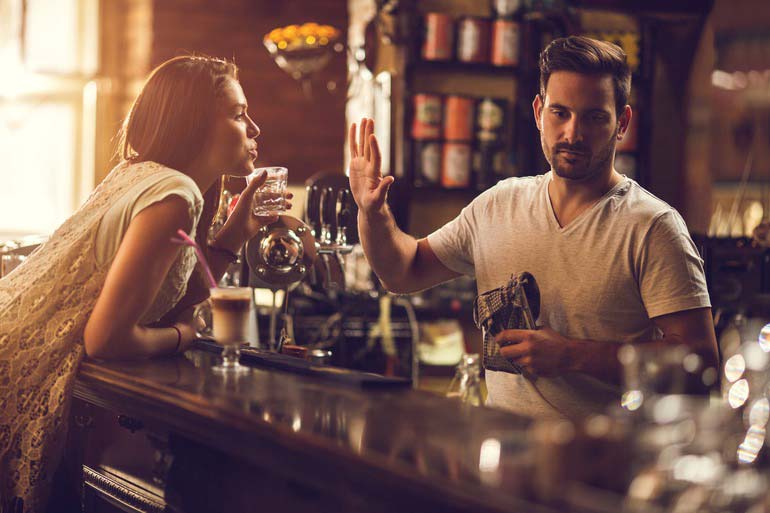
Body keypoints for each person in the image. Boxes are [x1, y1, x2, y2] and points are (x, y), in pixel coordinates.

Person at [348, 36, 718, 420]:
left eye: (594, 117)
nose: (573, 134)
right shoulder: (497, 204)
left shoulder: (653, 226)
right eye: (560, 113)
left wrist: (574, 356)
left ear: (622, 122)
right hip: (502, 461)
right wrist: (373, 214)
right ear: (539, 112)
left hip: (604, 468)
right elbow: (402, 272)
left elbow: (700, 365)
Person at [0, 55, 292, 511]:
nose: (254, 128)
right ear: (195, 123)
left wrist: (239, 227)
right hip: (16, 370)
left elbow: (175, 287)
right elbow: (106, 339)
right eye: (238, 113)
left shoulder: (142, 175)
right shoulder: (174, 195)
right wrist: (181, 337)